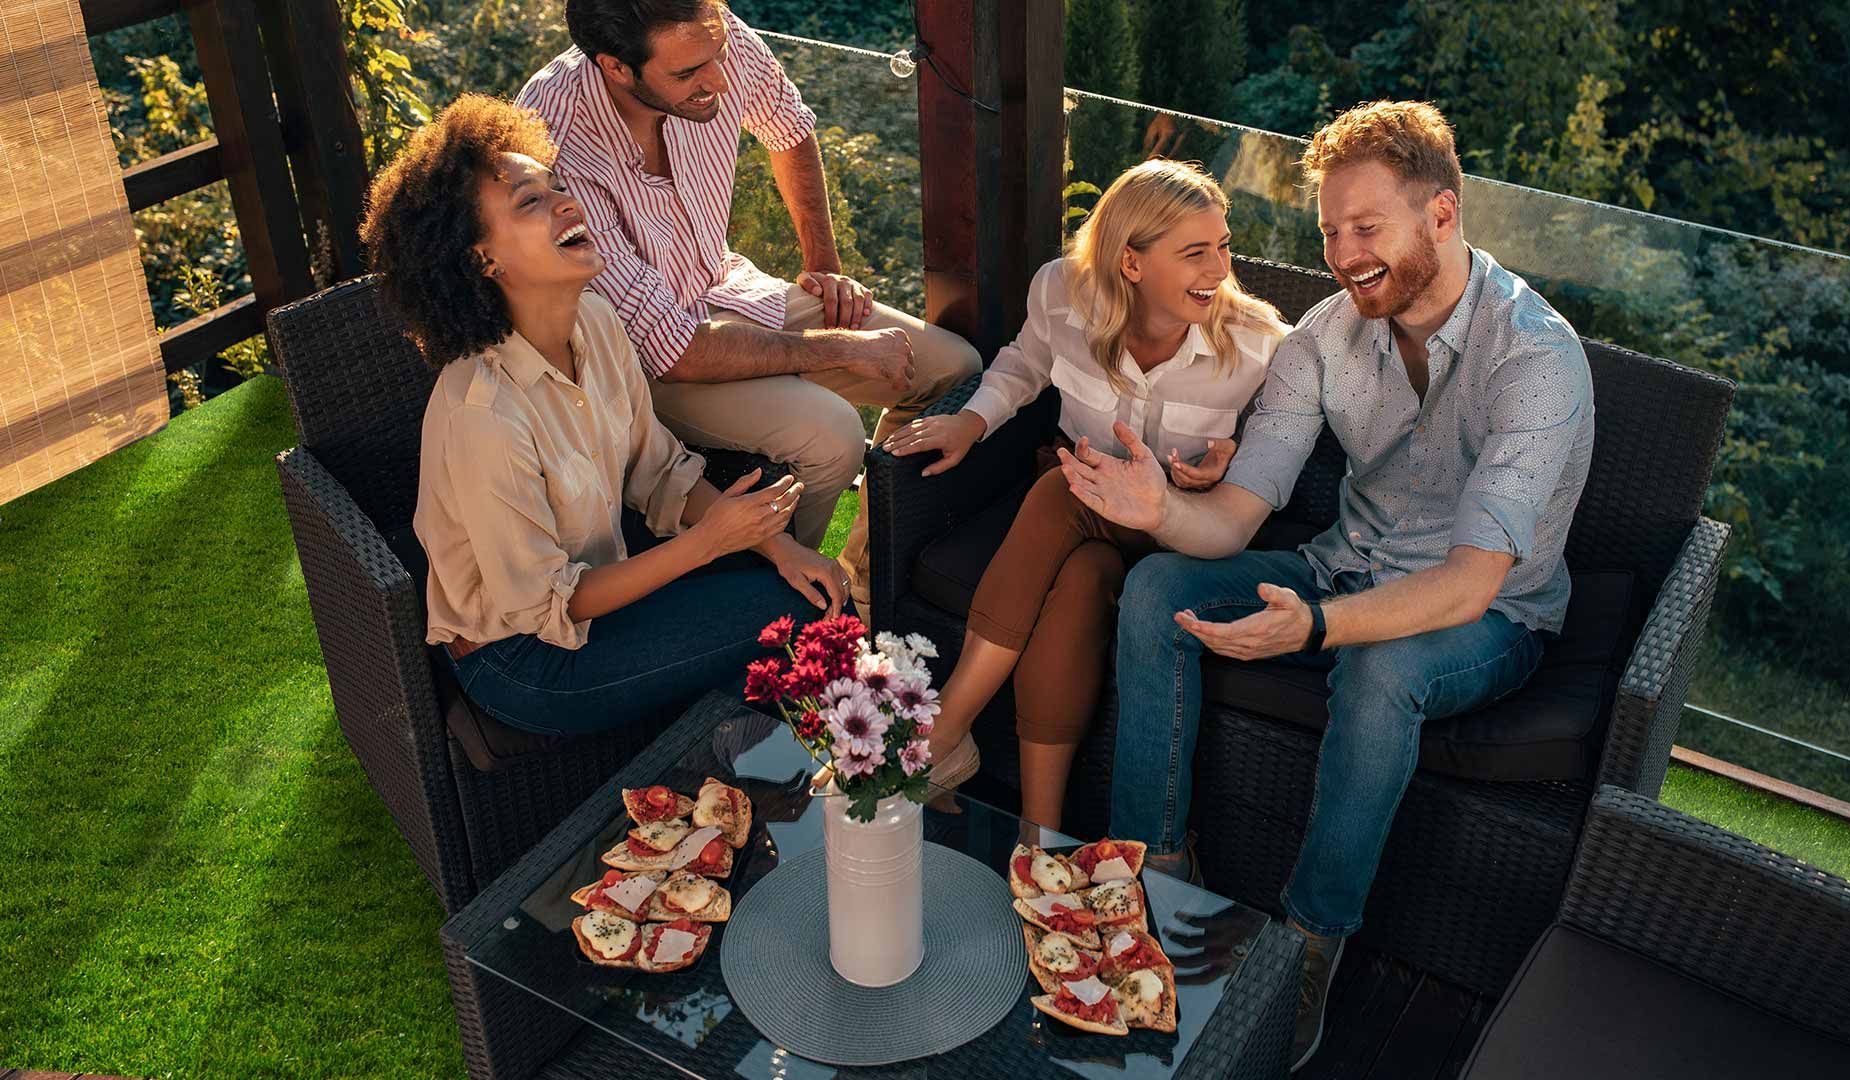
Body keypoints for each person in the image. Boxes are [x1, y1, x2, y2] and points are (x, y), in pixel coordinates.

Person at [1055, 101, 1594, 1071]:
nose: (1344, 255)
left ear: (1442, 213)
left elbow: (1471, 586)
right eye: (1330, 232)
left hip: (1493, 614)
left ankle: (1309, 943)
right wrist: (1155, 514)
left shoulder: (1538, 360)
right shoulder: (1322, 338)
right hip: (1344, 560)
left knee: (1383, 669)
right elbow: (1233, 518)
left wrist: (1312, 628)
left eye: (1368, 228)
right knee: (1155, 591)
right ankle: (1156, 876)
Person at [362, 94, 846, 736]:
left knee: (804, 592)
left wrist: (778, 546)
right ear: (482, 260)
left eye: (556, 185)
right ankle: (737, 787)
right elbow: (549, 604)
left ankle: (713, 791)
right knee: (802, 624)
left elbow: (659, 472)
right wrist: (709, 543)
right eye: (530, 202)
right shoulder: (483, 413)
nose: (566, 202)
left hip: (605, 582)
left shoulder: (594, 320)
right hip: (526, 658)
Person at [516, 0, 982, 610]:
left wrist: (822, 268)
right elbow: (667, 346)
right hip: (638, 362)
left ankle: (861, 584)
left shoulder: (713, 32)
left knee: (953, 366)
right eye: (686, 75)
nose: (715, 78)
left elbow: (789, 128)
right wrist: (841, 349)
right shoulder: (553, 135)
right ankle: (775, 618)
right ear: (615, 67)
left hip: (731, 287)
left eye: (716, 58)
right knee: (832, 434)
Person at [880, 160, 1288, 827]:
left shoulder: (1261, 346)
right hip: (1084, 527)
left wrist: (1232, 462)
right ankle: (1040, 839)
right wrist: (970, 419)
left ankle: (943, 731)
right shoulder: (1062, 292)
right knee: (1078, 578)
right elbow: (1024, 362)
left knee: (1063, 490)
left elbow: (1282, 447)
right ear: (1131, 262)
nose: (1219, 269)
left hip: (1175, 538)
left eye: (1223, 246)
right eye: (1195, 253)